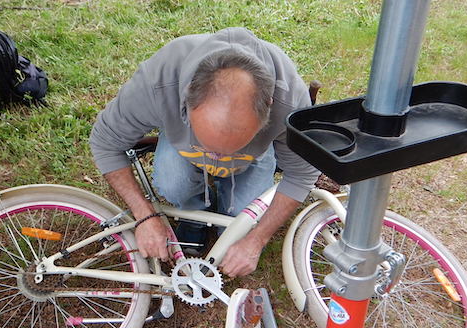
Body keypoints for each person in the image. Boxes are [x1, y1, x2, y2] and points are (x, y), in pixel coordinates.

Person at [89, 27, 319, 277]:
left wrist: (256, 239)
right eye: (208, 144)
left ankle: (226, 204)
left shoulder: (290, 101)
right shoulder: (159, 81)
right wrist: (144, 215)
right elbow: (105, 141)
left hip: (255, 158)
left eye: (236, 144)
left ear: (269, 107)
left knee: (237, 232)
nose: (217, 158)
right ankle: (193, 212)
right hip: (181, 146)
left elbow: (302, 174)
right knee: (173, 183)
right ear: (186, 101)